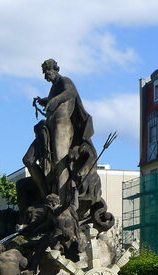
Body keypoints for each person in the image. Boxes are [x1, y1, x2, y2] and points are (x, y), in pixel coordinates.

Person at [34, 59, 96, 204]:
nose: (45, 76)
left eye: (47, 72)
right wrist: (45, 100)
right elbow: (55, 97)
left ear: (55, 69)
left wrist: (55, 100)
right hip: (51, 126)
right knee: (47, 162)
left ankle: (62, 203)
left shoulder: (65, 80)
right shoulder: (55, 87)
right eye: (44, 73)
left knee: (60, 161)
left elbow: (70, 92)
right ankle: (47, 197)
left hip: (62, 125)